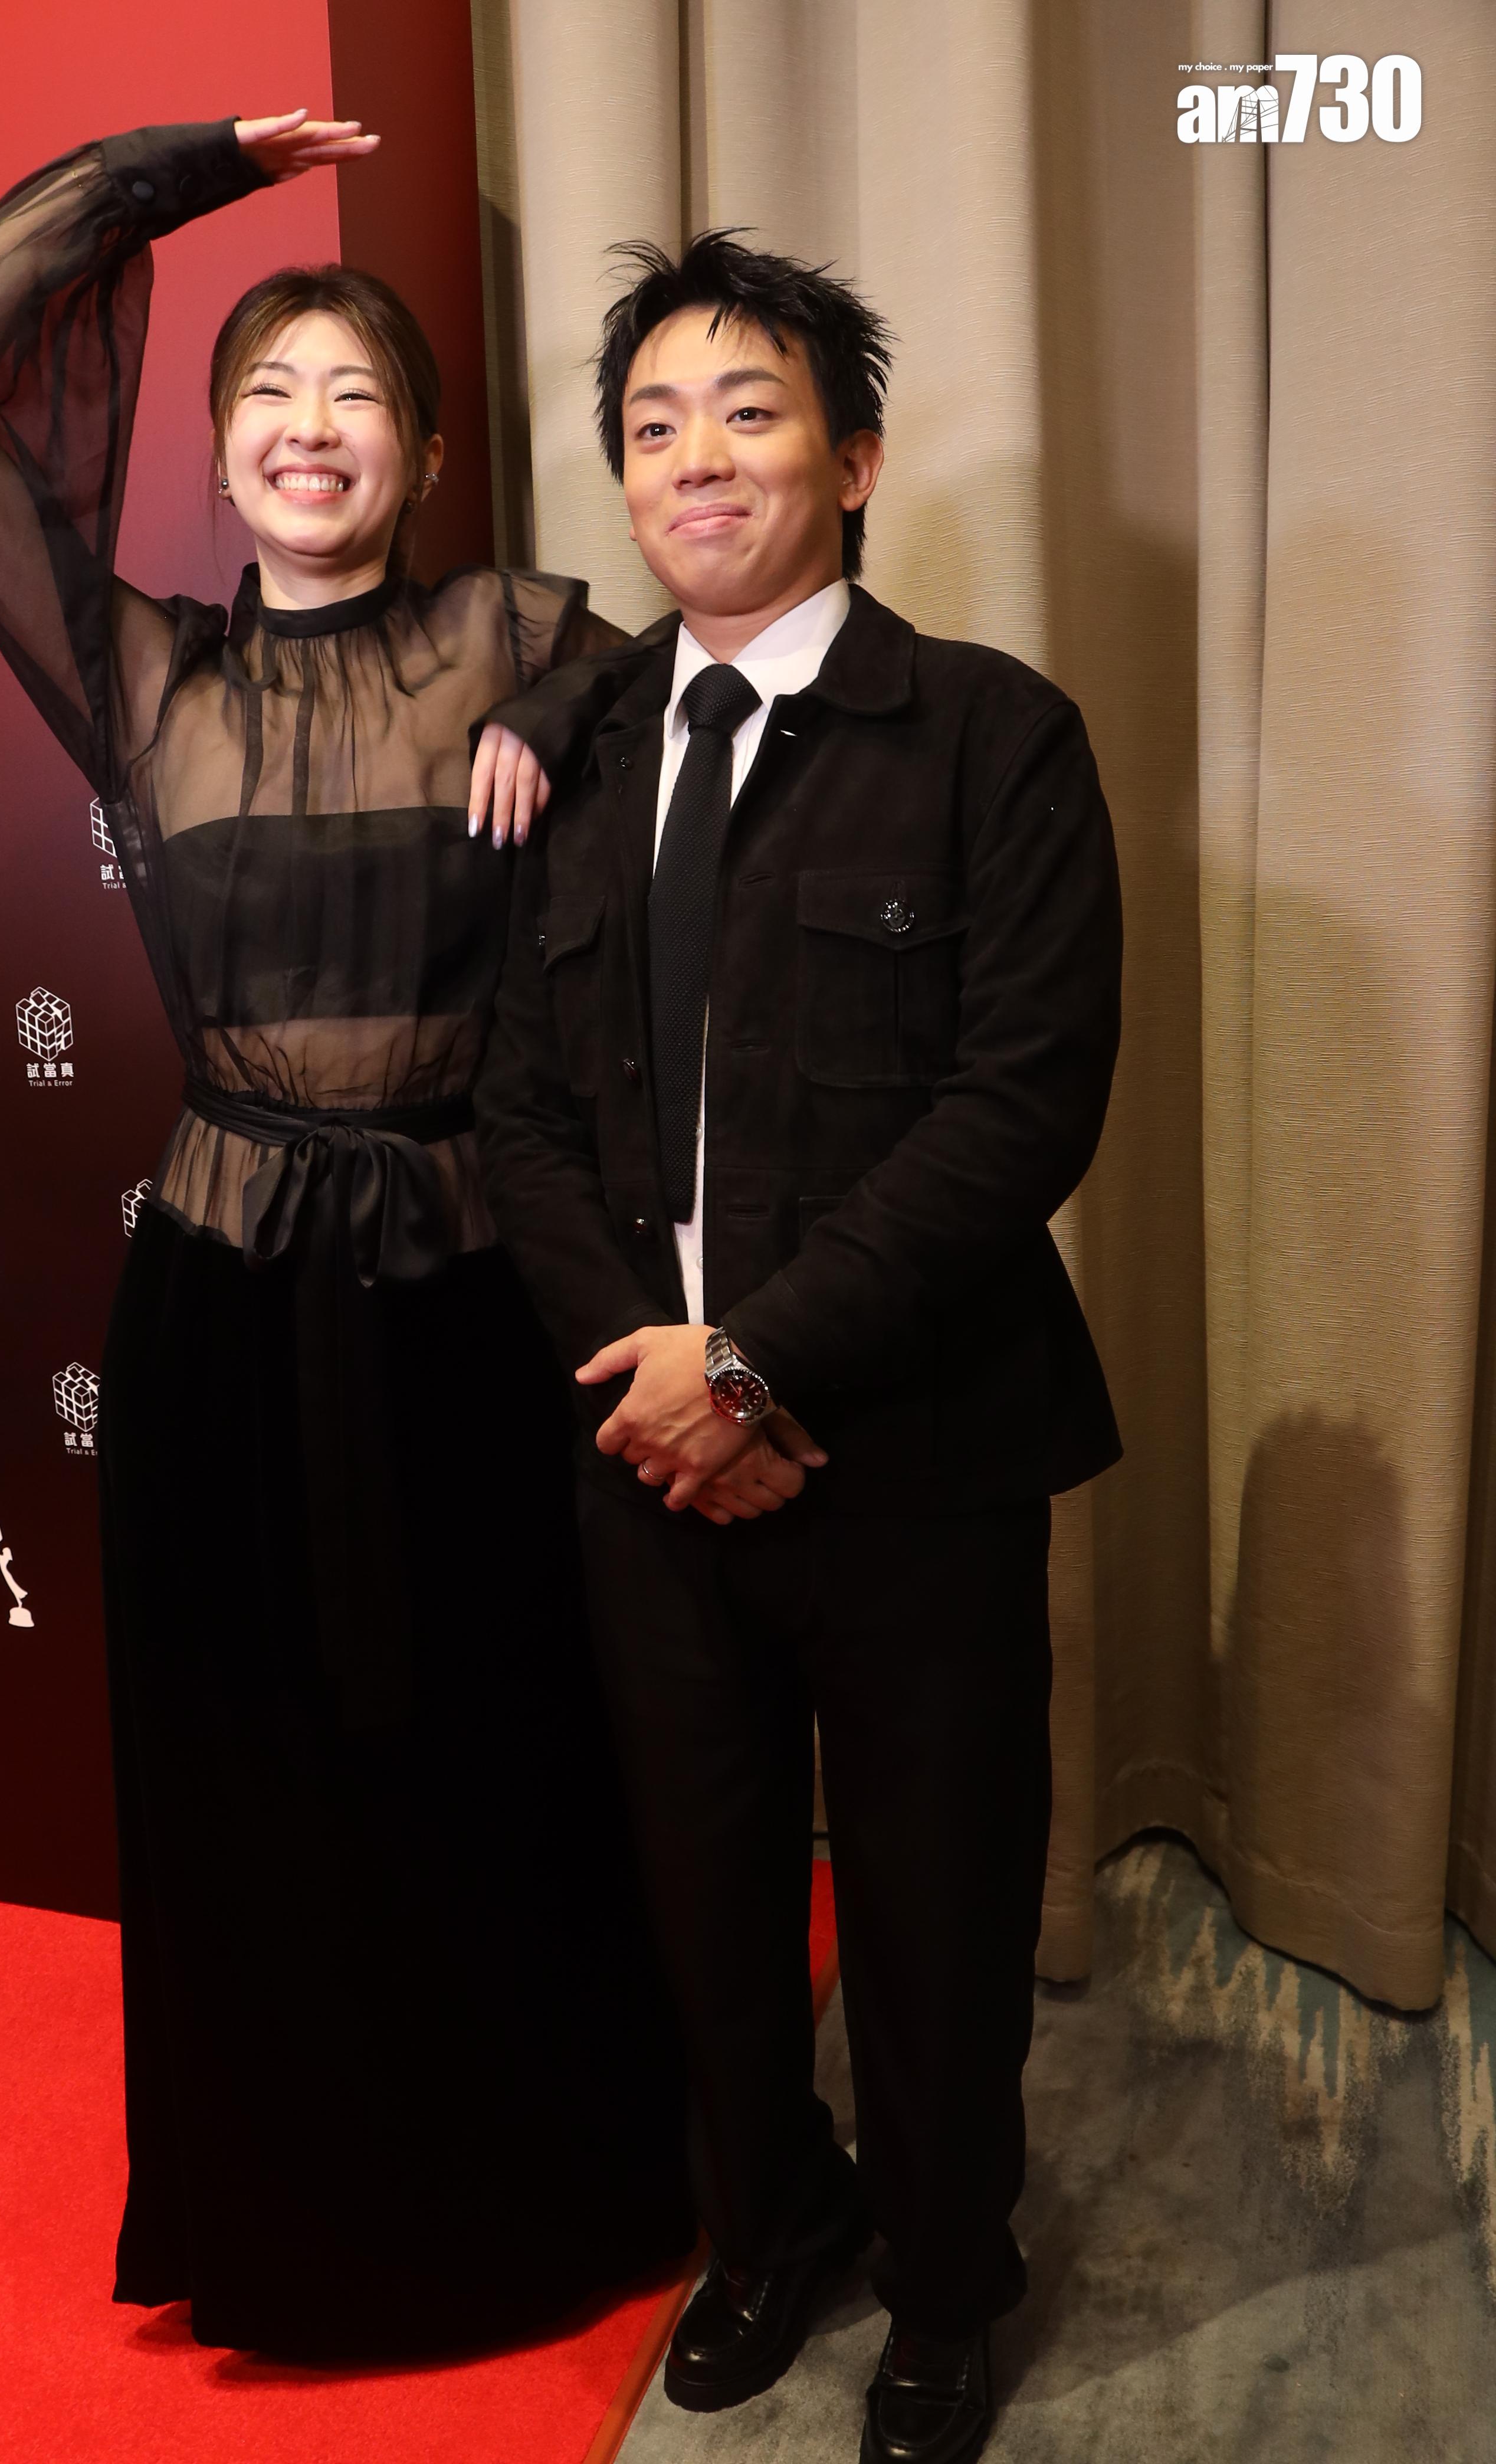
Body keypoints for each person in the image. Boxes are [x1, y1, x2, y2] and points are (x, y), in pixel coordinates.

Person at [0, 111, 693, 2358]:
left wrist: (556, 697)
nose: (312, 428)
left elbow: (691, 662)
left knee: (497, 1755)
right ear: (221, 458)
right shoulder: (142, 678)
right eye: (270, 394)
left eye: (357, 394)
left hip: (471, 1295)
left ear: (425, 455)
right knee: (251, 1770)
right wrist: (181, 171)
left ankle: (528, 2201)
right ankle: (290, 2232)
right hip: (222, 1300)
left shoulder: (516, 633)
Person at [474, 234, 1123, 2463]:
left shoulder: (993, 736)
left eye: (748, 412)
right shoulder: (571, 753)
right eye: (654, 426)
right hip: (645, 1458)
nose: (697, 459)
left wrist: (753, 1367)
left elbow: (1022, 1105)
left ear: (852, 458)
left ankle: (945, 2281)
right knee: (710, 1900)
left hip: (914, 1452)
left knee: (937, 1912)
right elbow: (519, 1114)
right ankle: (771, 2228)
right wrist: (654, 1381)